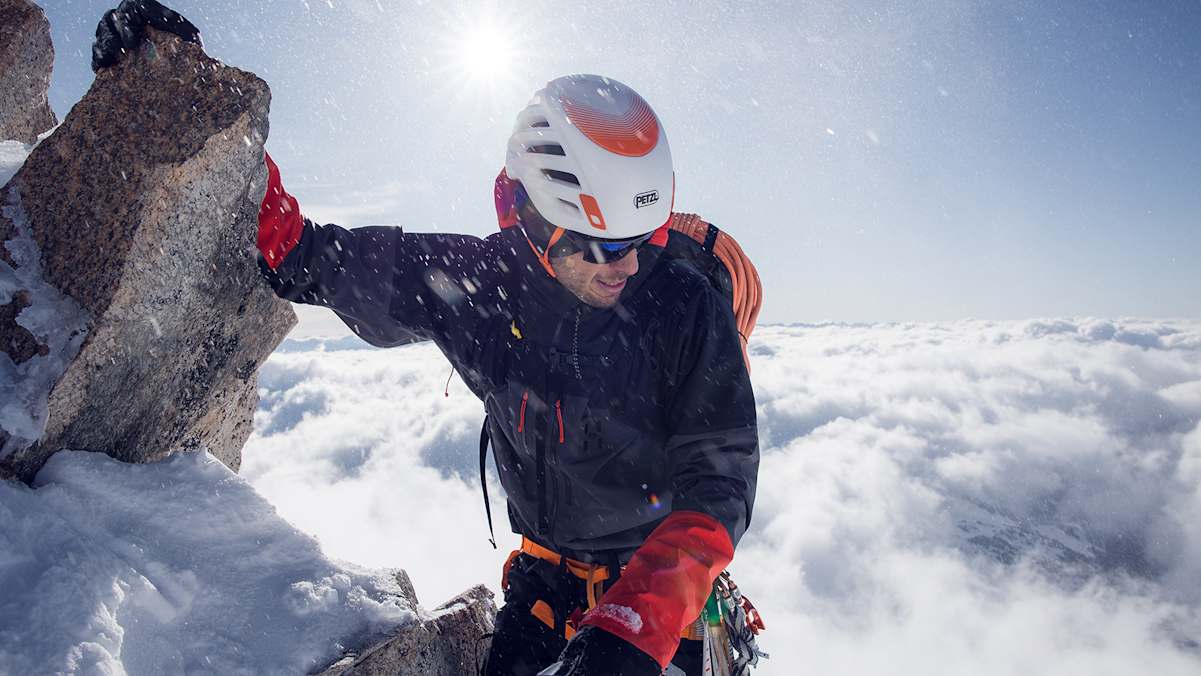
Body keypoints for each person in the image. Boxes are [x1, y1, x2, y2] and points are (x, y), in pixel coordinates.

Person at [92, 4, 760, 674]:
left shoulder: (683, 306)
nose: (630, 264)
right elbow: (301, 253)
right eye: (605, 245)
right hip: (542, 591)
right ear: (534, 222)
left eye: (640, 241)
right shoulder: (479, 287)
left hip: (655, 597)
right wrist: (183, 90)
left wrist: (636, 624)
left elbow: (719, 479)